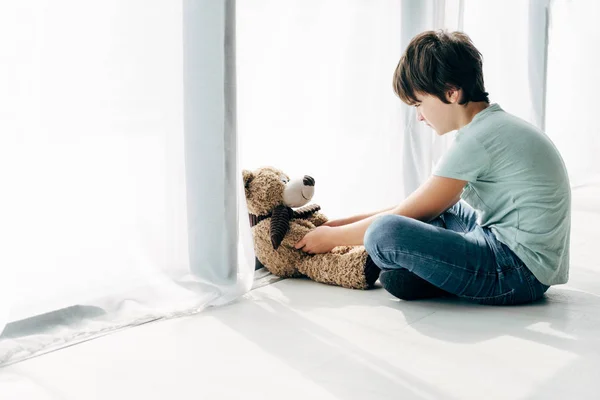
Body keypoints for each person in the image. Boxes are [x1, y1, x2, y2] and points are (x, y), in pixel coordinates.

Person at [294, 30, 571, 305]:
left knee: (384, 233)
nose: (419, 117)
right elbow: (417, 205)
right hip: (525, 263)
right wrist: (341, 224)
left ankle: (429, 271)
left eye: (419, 103)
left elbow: (409, 214)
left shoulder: (476, 140)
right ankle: (430, 272)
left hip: (516, 272)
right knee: (436, 215)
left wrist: (332, 238)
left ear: (451, 93)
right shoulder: (492, 126)